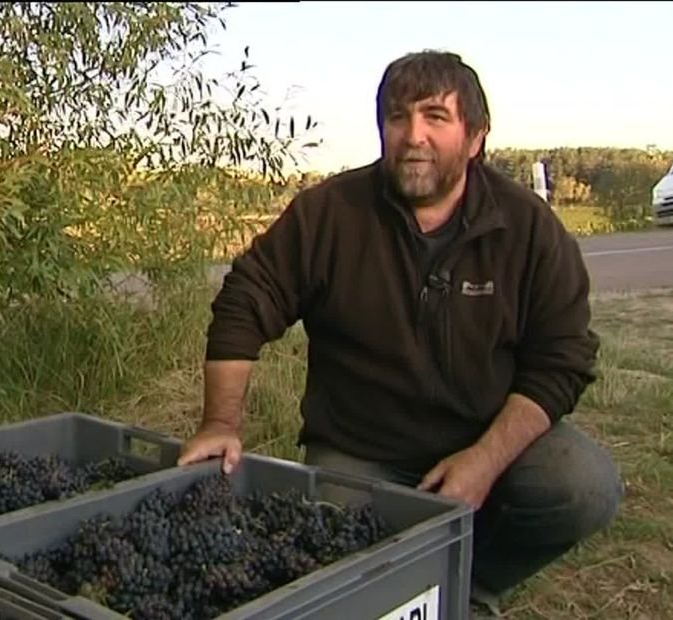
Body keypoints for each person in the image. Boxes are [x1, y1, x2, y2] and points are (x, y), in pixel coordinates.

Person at [176, 49, 624, 617]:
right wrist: (220, 422)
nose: (413, 135)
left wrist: (484, 462)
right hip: (361, 449)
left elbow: (562, 361)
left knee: (582, 485)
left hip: (486, 437)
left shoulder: (528, 227)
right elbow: (245, 301)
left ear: (476, 136)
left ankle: (471, 589)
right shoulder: (330, 213)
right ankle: (412, 591)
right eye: (397, 116)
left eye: (435, 117)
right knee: (335, 568)